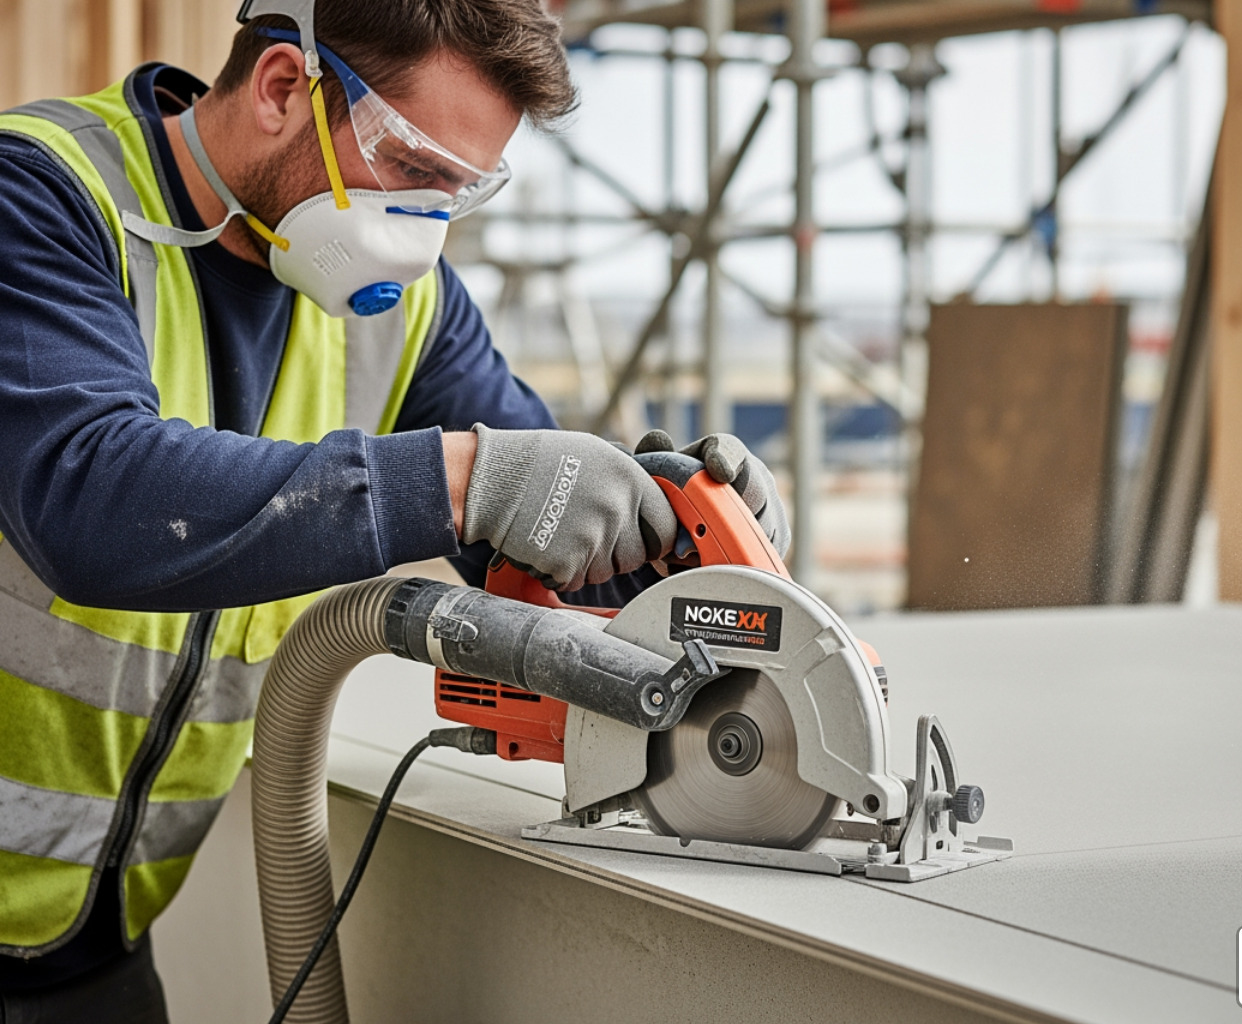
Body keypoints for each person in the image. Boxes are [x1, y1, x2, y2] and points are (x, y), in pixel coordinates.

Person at [0, 0, 788, 1018]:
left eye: (463, 189)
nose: (429, 226)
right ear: (284, 87)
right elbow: (90, 500)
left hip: (90, 943)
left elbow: (553, 536)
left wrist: (692, 533)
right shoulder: (43, 195)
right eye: (415, 168)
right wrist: (465, 478)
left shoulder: (408, 308)